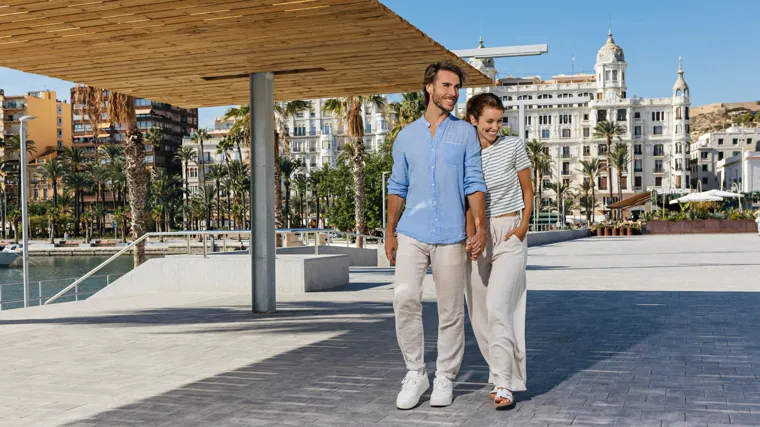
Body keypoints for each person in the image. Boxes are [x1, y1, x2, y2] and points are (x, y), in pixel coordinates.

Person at [385, 60, 487, 410]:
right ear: (429, 87)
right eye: (446, 86)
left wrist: (481, 226)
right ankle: (416, 371)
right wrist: (389, 232)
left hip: (452, 234)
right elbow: (397, 186)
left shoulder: (465, 134)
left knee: (450, 309)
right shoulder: (406, 136)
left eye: (457, 87)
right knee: (404, 297)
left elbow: (474, 182)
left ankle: (445, 375)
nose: (453, 93)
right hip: (412, 231)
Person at [464, 93, 533, 408]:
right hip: (477, 237)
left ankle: (504, 384)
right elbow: (464, 199)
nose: (495, 127)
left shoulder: (514, 146)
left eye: (499, 121)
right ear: (473, 120)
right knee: (479, 315)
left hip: (509, 232)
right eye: (489, 121)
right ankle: (500, 373)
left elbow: (528, 189)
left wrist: (522, 228)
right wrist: (471, 238)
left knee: (498, 307)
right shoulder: (466, 155)